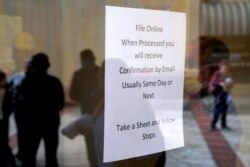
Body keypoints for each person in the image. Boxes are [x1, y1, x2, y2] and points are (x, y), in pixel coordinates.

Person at [19, 53, 64, 167]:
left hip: (32, 125)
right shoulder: (54, 82)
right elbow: (60, 104)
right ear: (47, 65)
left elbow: (21, 105)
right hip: (51, 124)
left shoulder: (27, 82)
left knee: (29, 158)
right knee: (51, 157)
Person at [69, 49, 100, 167]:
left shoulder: (80, 74)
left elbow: (73, 95)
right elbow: (73, 95)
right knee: (92, 142)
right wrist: (87, 94)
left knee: (92, 142)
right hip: (89, 114)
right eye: (85, 61)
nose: (87, 63)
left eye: (88, 60)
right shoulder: (80, 75)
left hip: (95, 113)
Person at [8, 59, 31, 163]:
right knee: (21, 131)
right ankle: (22, 152)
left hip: (30, 110)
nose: (28, 67)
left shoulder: (34, 79)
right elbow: (9, 90)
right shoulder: (16, 77)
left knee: (29, 132)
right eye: (26, 65)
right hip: (19, 110)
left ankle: (26, 152)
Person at [209, 60, 231, 131]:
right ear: (220, 67)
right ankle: (212, 125)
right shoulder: (217, 73)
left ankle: (223, 125)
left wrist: (229, 83)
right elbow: (213, 82)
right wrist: (220, 83)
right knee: (217, 110)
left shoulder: (228, 74)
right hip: (218, 94)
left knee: (224, 110)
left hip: (225, 95)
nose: (225, 70)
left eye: (226, 69)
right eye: (224, 68)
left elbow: (231, 82)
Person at [0, 69, 16, 167]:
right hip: (3, 118)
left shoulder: (7, 90)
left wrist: (6, 114)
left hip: (3, 119)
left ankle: (7, 159)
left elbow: (10, 105)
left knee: (3, 140)